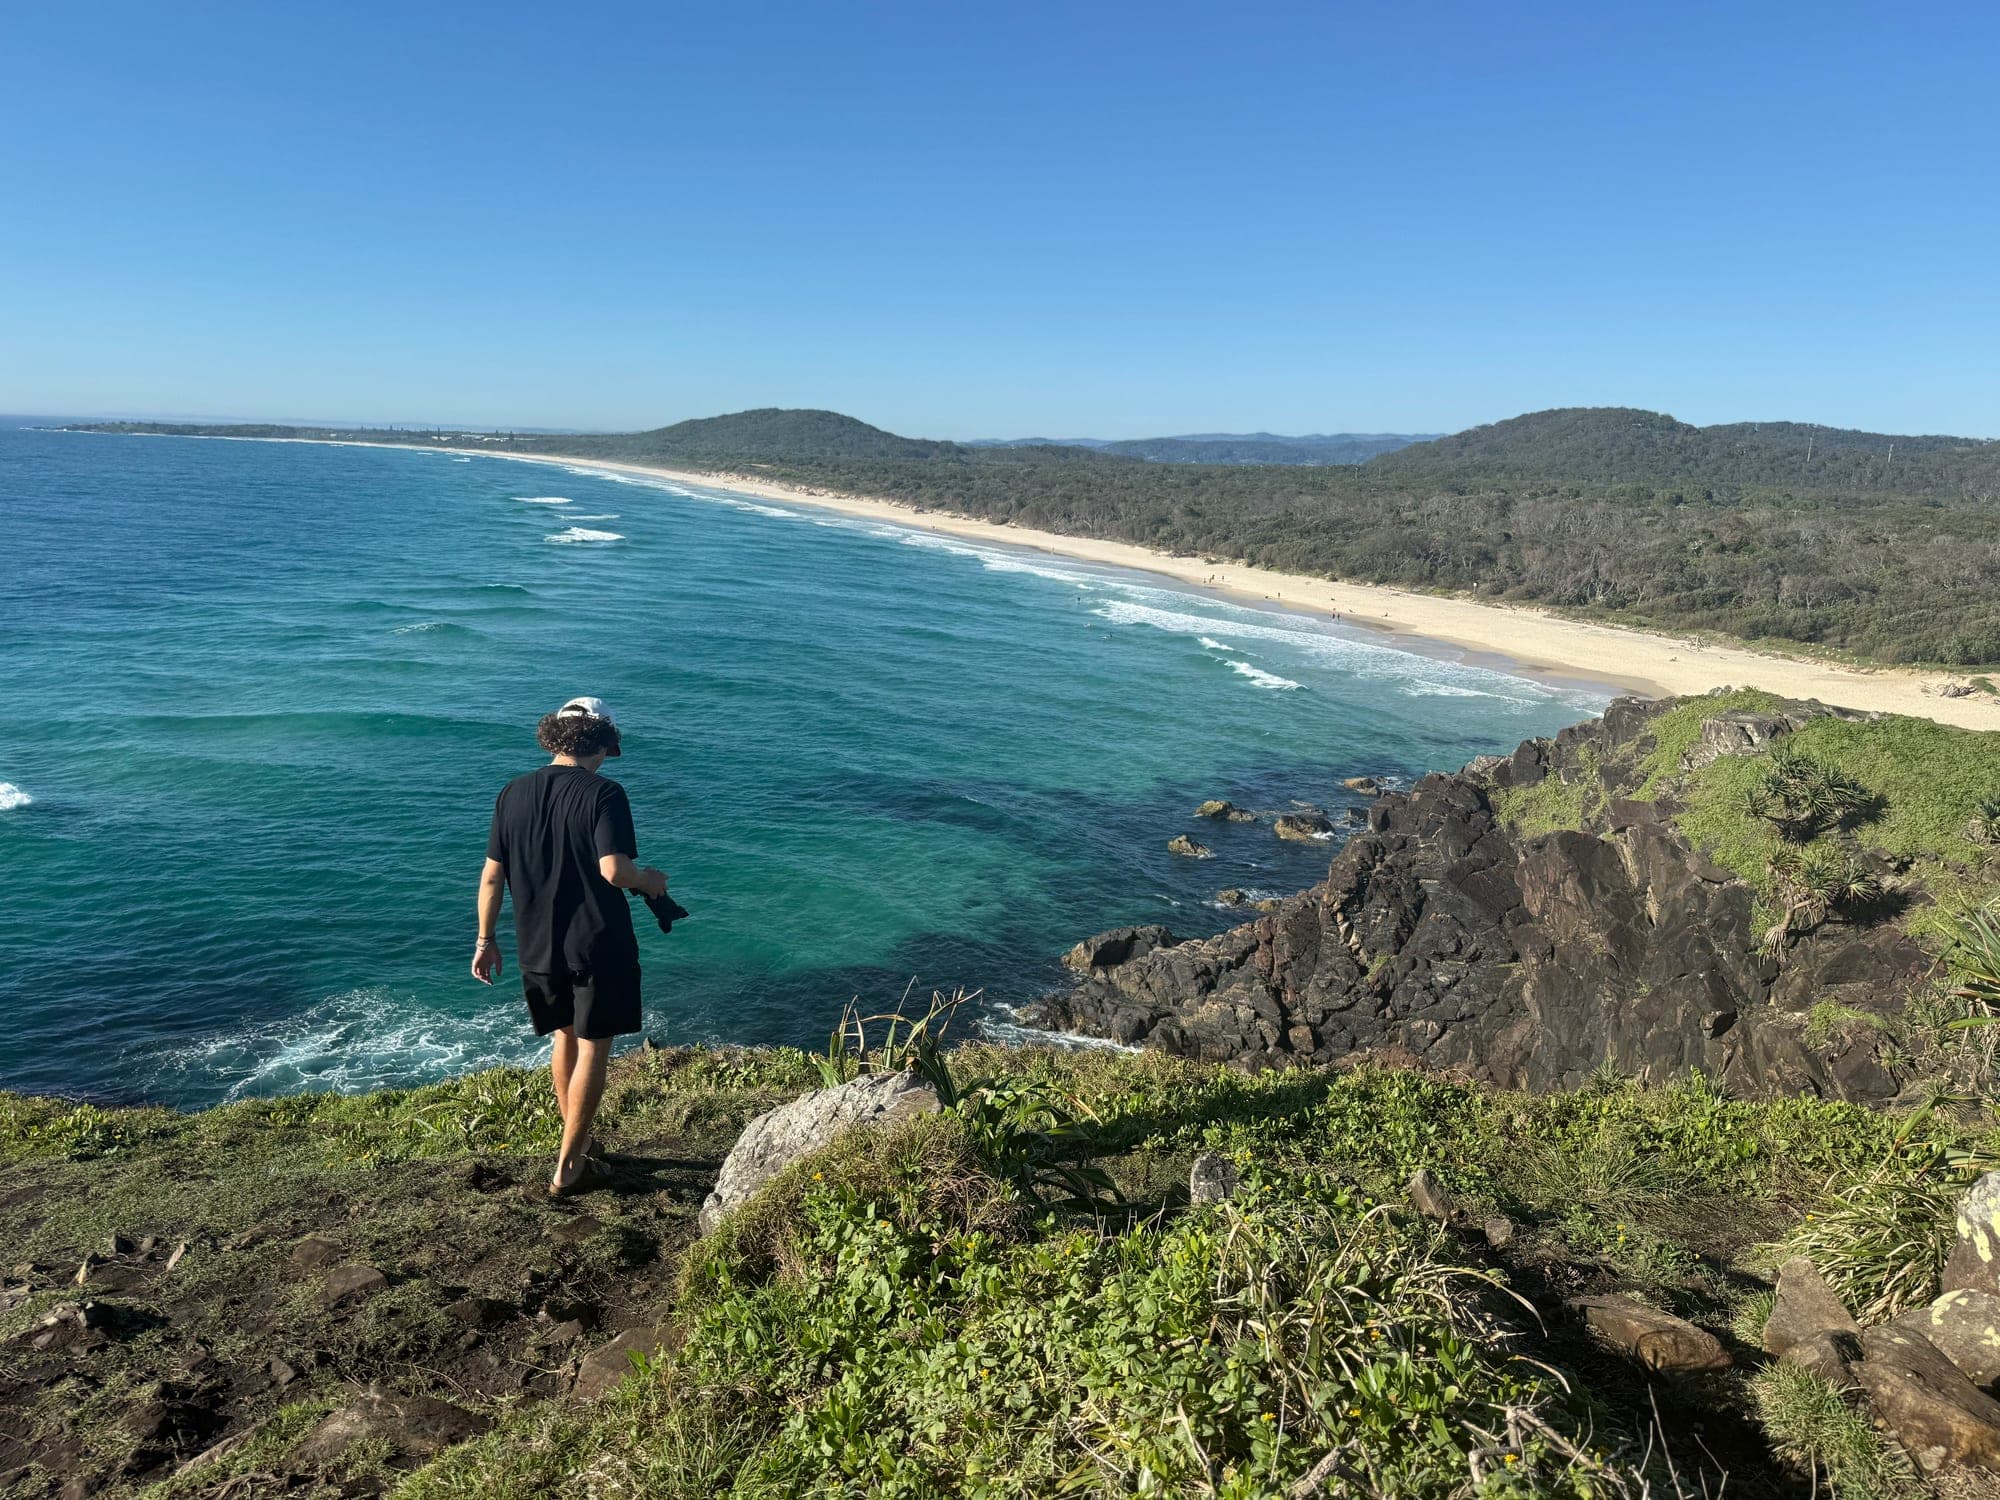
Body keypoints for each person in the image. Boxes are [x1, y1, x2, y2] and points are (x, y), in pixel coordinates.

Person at [472, 696, 668, 1195]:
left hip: (537, 943)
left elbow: (492, 877)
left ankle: (575, 1142)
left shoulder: (511, 792)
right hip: (597, 942)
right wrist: (651, 882)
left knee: (563, 1037)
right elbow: (614, 870)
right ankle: (569, 1168)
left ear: (554, 738)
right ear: (602, 742)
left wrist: (486, 940)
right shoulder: (605, 794)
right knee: (595, 1045)